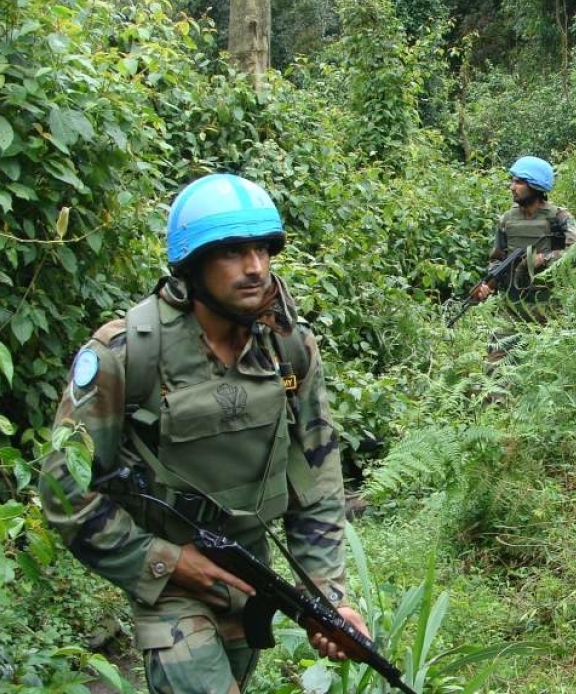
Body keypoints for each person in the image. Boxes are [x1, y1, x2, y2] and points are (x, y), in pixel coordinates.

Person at [39, 173, 366, 693]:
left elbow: (318, 480)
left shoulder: (290, 348)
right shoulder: (124, 355)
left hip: (249, 571)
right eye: (232, 252)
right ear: (191, 263)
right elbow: (63, 493)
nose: (255, 267)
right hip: (169, 582)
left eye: (262, 249)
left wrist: (331, 599)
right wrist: (164, 562)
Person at [471, 156, 576, 365]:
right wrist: (489, 284)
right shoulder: (507, 219)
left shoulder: (557, 217)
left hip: (549, 305)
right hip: (512, 305)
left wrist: (546, 259)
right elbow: (498, 258)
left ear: (535, 185)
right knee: (495, 364)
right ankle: (498, 399)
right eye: (512, 181)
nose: (512, 187)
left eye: (519, 182)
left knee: (553, 365)